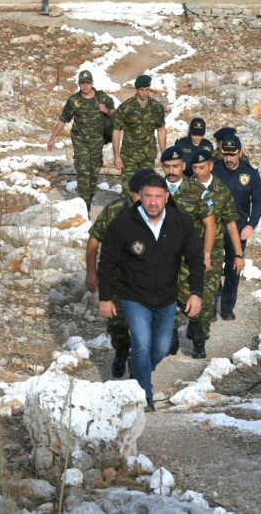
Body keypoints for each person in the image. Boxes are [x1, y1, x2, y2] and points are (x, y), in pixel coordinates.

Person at [97, 173, 204, 412]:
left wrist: (196, 293)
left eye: (158, 196)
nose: (153, 202)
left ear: (167, 196)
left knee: (161, 349)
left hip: (166, 298)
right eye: (147, 196)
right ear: (139, 197)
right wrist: (105, 298)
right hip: (134, 296)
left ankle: (138, 371)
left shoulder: (182, 222)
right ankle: (144, 394)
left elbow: (196, 260)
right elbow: (106, 263)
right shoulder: (123, 224)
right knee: (142, 345)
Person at [86, 168, 156, 379]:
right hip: (116, 279)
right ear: (131, 193)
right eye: (139, 194)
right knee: (117, 323)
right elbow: (94, 240)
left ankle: (137, 370)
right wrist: (91, 272)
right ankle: (121, 349)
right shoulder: (115, 210)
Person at [160, 146, 215, 358]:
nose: (171, 171)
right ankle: (171, 340)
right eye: (167, 166)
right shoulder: (156, 190)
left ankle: (199, 342)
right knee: (166, 299)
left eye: (176, 166)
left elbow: (210, 225)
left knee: (191, 298)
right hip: (163, 257)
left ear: (184, 166)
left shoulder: (197, 191)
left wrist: (207, 254)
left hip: (189, 257)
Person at [189, 148, 245, 355]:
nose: (197, 172)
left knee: (207, 294)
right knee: (187, 293)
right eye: (194, 167)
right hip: (187, 253)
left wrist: (239, 255)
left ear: (211, 167)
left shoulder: (221, 191)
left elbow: (231, 224)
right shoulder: (185, 189)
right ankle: (193, 324)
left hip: (213, 253)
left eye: (202, 167)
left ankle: (200, 341)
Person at [48, 70, 116, 213]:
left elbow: (114, 112)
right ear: (79, 84)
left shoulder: (102, 98)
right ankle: (85, 209)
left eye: (88, 83)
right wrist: (53, 138)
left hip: (97, 142)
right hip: (81, 143)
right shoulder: (74, 101)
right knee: (84, 175)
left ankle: (88, 202)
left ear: (92, 83)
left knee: (92, 175)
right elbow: (63, 119)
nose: (85, 86)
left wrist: (106, 110)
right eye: (82, 83)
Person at [212, 135, 261, 321]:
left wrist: (251, 225)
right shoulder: (213, 169)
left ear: (240, 153)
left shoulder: (250, 172)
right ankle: (210, 308)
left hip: (239, 228)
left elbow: (259, 201)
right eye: (225, 154)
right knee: (212, 268)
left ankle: (227, 307)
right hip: (215, 229)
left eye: (232, 155)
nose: (229, 159)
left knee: (234, 268)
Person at [112, 75, 166, 193]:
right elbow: (116, 131)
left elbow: (161, 130)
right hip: (129, 155)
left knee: (146, 189)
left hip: (147, 154)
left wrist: (164, 154)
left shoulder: (156, 107)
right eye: (142, 90)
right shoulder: (125, 107)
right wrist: (116, 155)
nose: (144, 93)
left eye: (147, 90)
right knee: (128, 190)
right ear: (136, 89)